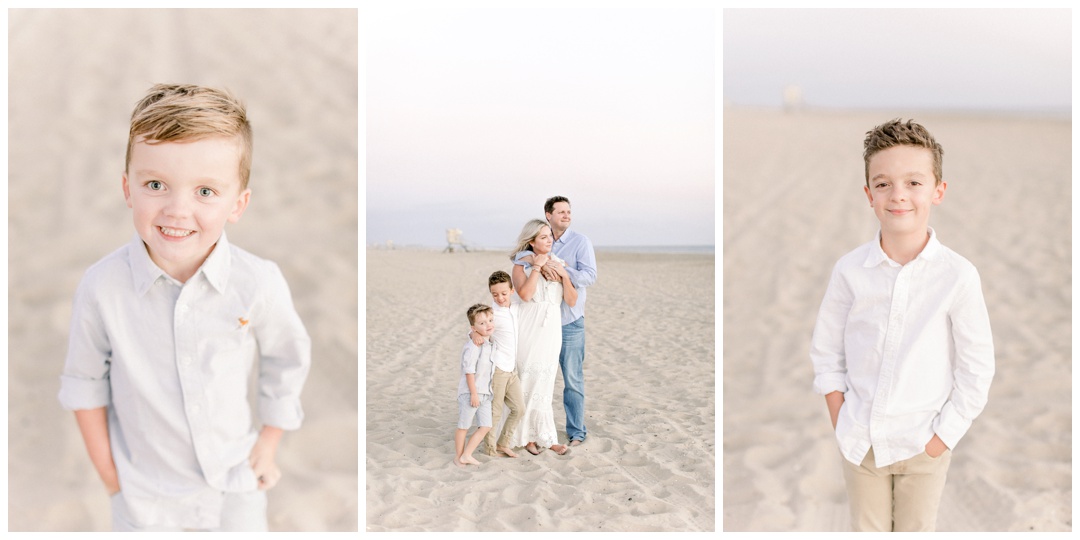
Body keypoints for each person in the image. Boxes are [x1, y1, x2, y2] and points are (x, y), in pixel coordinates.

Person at [57, 84, 312, 532]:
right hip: (143, 498)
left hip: (235, 485)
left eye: (205, 192)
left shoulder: (257, 282)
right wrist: (112, 481)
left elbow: (285, 357)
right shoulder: (102, 287)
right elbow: (84, 384)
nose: (177, 209)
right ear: (127, 188)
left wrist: (269, 442)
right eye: (156, 185)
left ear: (238, 204)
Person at [809, 119, 995, 532]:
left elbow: (976, 367)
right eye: (883, 184)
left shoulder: (958, 275)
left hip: (923, 442)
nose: (898, 196)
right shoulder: (849, 271)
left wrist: (942, 438)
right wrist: (841, 417)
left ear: (937, 191)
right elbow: (826, 351)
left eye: (914, 182)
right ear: (868, 194)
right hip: (862, 439)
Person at [520, 196, 597, 447]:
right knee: (535, 376)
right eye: (561, 212)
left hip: (569, 321)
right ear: (548, 214)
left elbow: (589, 276)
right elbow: (519, 256)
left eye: (569, 212)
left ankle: (576, 432)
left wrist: (562, 270)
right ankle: (530, 431)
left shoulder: (580, 242)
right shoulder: (540, 238)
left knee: (572, 379)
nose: (566, 215)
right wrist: (536, 262)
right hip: (540, 325)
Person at [509, 219, 576, 456]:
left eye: (550, 236)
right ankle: (525, 437)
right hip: (529, 326)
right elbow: (525, 295)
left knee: (546, 383)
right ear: (531, 242)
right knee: (527, 378)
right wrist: (536, 267)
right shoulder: (521, 266)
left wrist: (565, 277)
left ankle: (546, 437)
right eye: (544, 237)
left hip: (551, 329)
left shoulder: (558, 264)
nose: (550, 240)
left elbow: (571, 300)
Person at [470, 271, 525, 458]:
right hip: (499, 369)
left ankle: (503, 443)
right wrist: (474, 334)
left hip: (512, 370)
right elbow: (475, 327)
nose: (500, 298)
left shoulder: (517, 308)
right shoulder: (491, 314)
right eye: (495, 294)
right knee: (495, 411)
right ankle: (490, 449)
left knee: (519, 409)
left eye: (503, 293)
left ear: (512, 290)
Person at [454, 304, 497, 467]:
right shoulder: (473, 346)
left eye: (490, 320)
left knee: (486, 425)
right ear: (474, 327)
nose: (488, 325)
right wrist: (473, 394)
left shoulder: (490, 342)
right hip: (471, 392)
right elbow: (469, 371)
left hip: (486, 393)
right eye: (483, 323)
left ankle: (466, 455)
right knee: (463, 425)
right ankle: (458, 457)